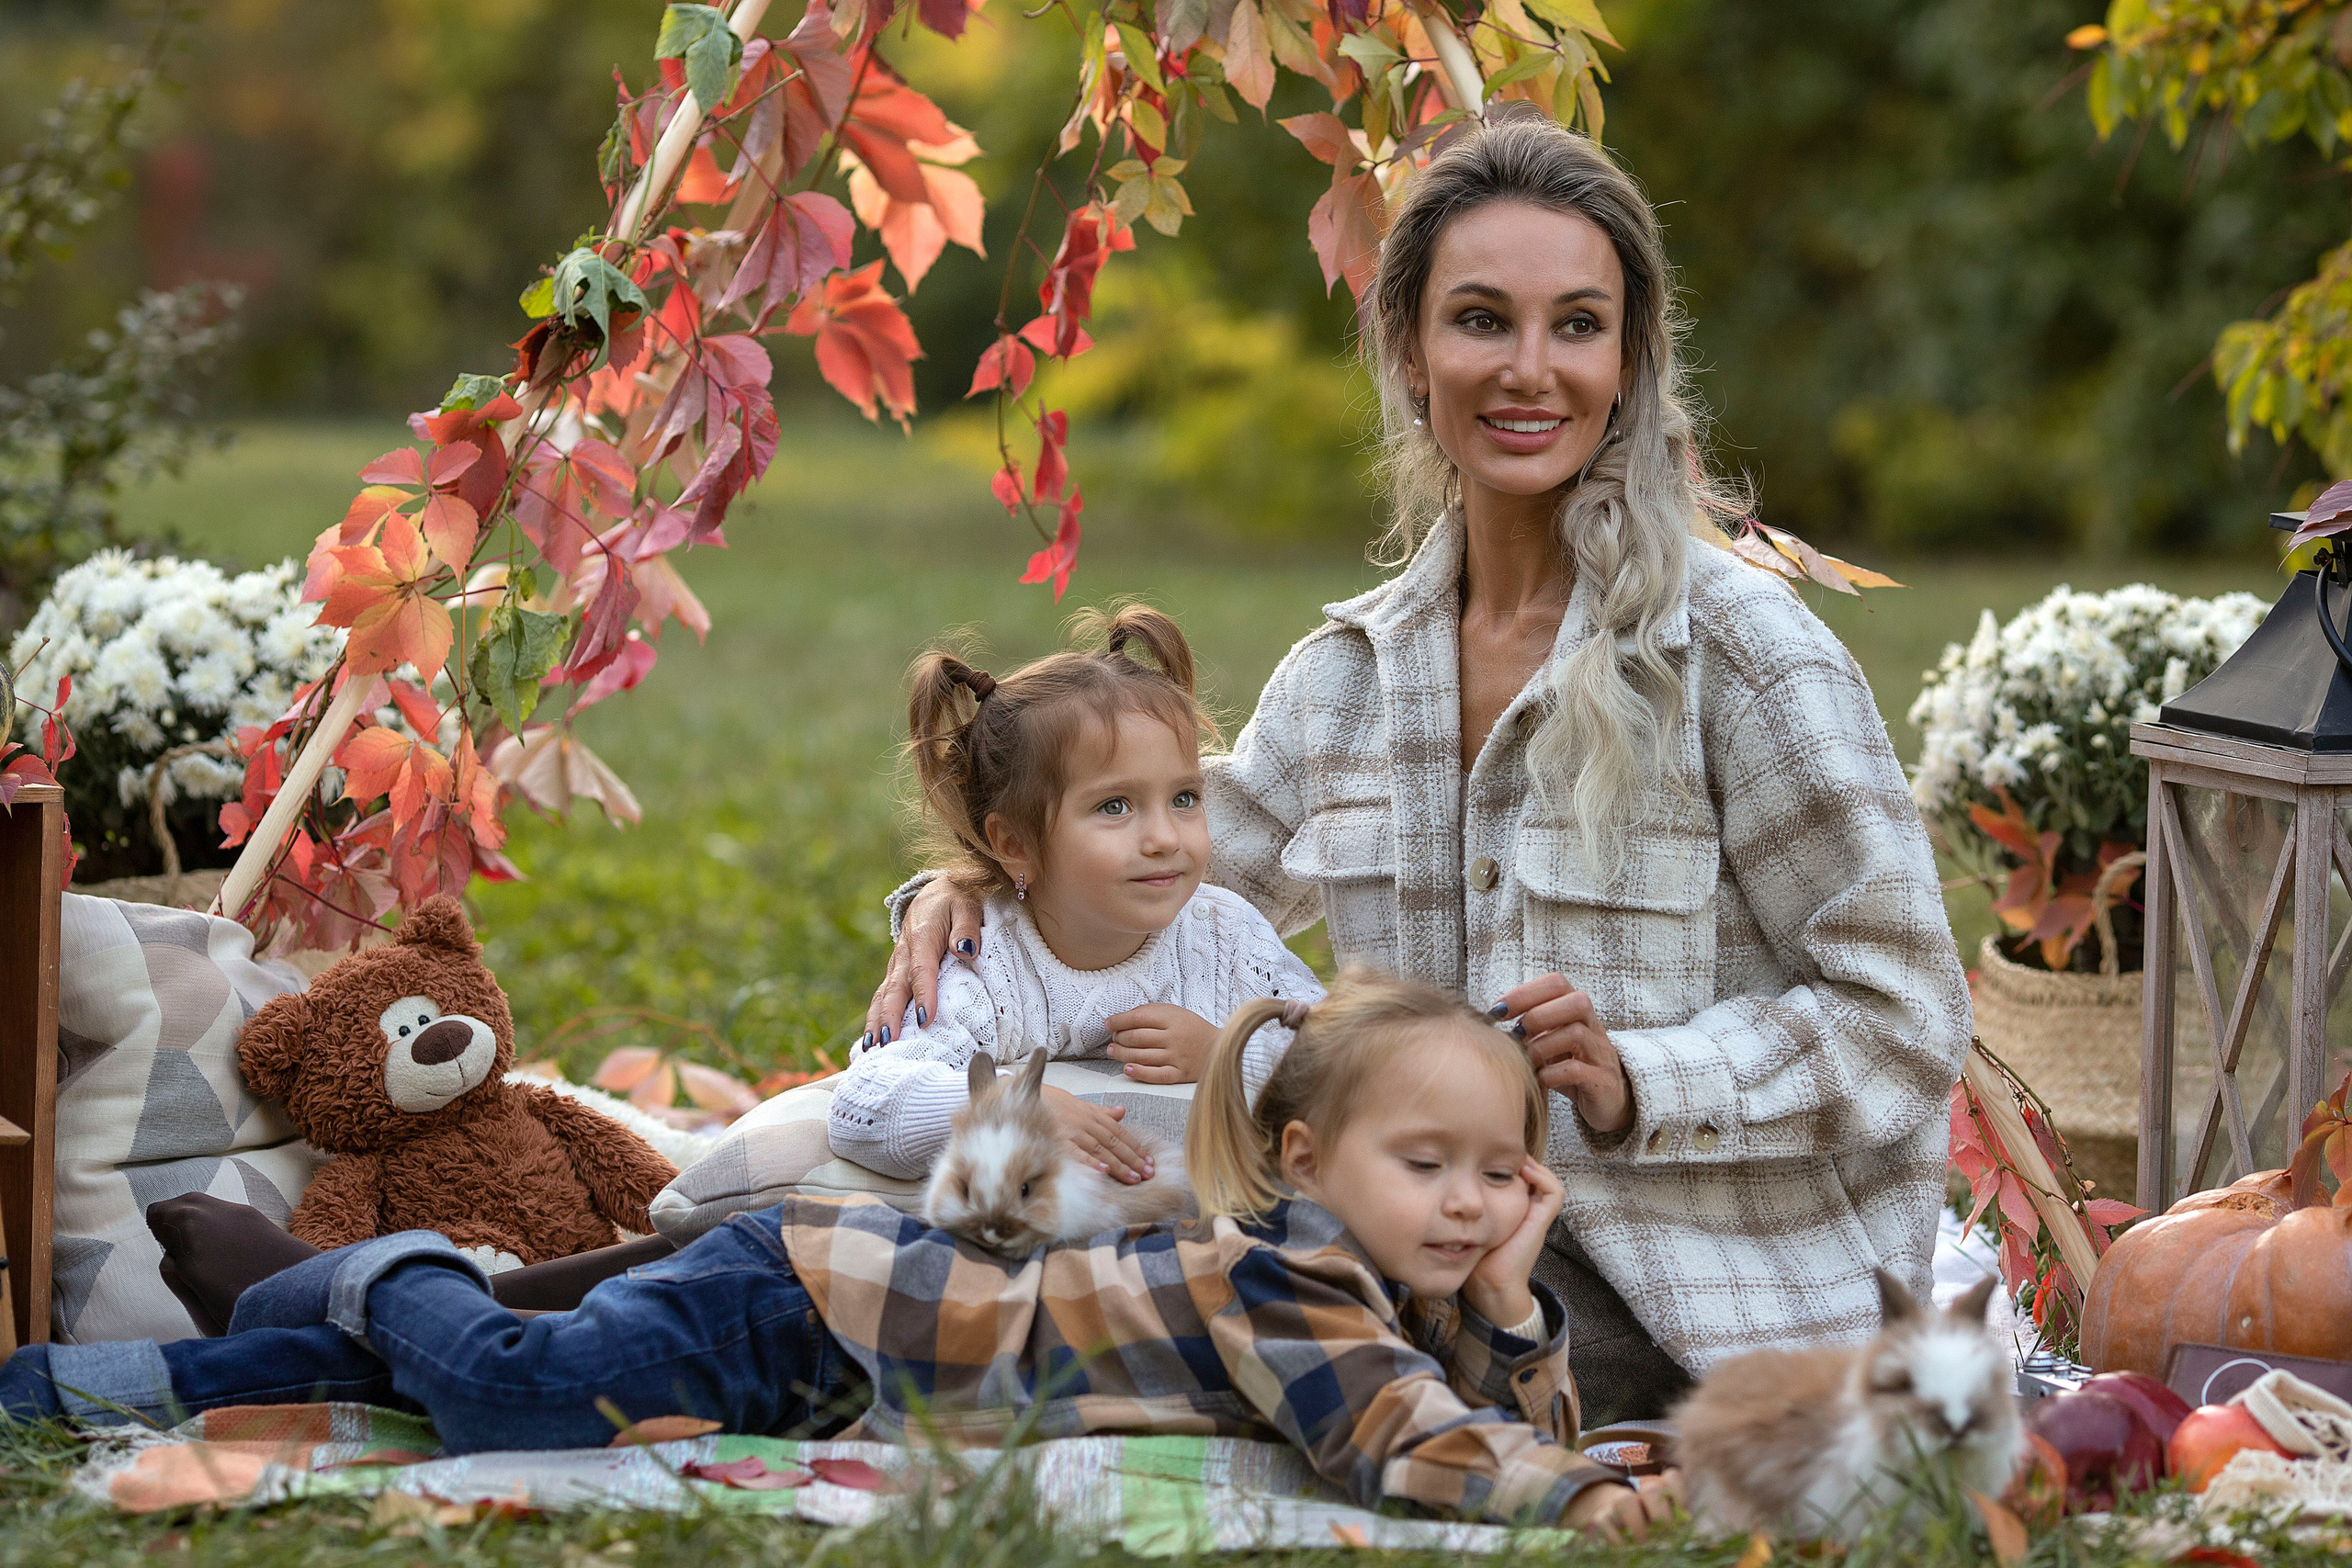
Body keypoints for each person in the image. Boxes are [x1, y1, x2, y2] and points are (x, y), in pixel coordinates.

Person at [867, 113, 1973, 1425]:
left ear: (1630, 360)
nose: (1530, 370)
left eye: (1577, 324)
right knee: (942, 1246)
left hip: (1686, 1290)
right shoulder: (1353, 674)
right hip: (1401, 1252)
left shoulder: (1745, 660)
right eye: (1480, 320)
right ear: (1405, 348)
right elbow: (1152, 847)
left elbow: (1904, 1015)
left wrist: (1639, 1078)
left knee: (1129, 1314)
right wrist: (980, 888)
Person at [0, 971, 1679, 1542]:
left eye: (1497, 1172)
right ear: (1312, 1162)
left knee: (370, 1398)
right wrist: (1575, 1494)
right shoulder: (1297, 1281)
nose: (1469, 1202)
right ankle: (402, 1263)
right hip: (806, 1295)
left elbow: (1468, 1394)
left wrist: (1517, 1300)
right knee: (529, 1398)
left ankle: (80, 1388)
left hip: (828, 1352)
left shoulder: (1381, 1289)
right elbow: (1403, 1437)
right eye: (1429, 1165)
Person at [828, 604, 1322, 1186]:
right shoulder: (987, 960)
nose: (1165, 838)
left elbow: (1344, 1060)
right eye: (1115, 806)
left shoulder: (1223, 935)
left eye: (1185, 797)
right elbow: (864, 1105)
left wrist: (1228, 1054)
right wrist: (1008, 1107)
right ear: (1013, 842)